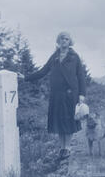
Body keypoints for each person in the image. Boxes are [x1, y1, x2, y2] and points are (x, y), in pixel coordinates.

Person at [18, 31, 86, 160]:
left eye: (66, 38)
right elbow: (43, 71)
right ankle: (62, 148)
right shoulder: (54, 56)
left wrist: (82, 94)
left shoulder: (74, 57)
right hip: (57, 95)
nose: (63, 40)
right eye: (61, 38)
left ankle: (68, 147)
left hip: (71, 94)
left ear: (70, 41)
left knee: (69, 121)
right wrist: (26, 77)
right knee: (60, 121)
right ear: (58, 41)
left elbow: (81, 76)